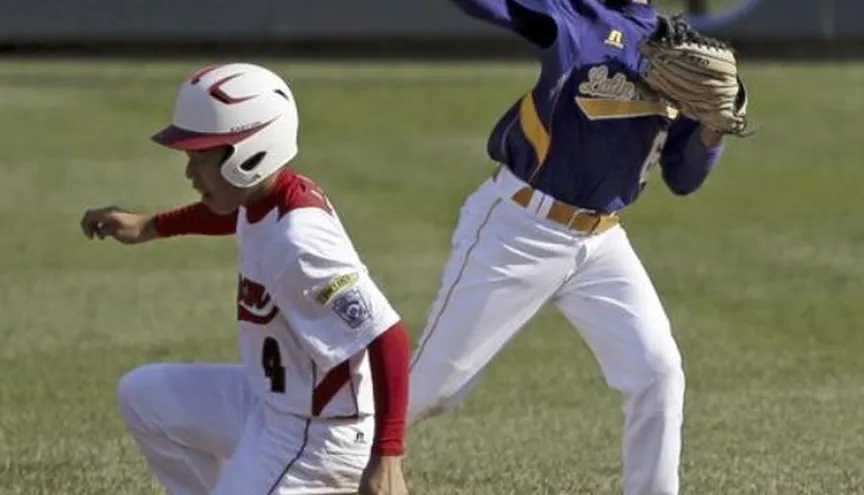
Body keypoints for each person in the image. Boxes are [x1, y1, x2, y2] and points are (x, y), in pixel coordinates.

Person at [406, 1, 742, 494]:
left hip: (602, 242)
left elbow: (683, 176)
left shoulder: (680, 46)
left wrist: (713, 129)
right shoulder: (574, 13)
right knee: (435, 388)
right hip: (519, 227)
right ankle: (320, 451)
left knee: (657, 371)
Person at [80, 62, 410, 495]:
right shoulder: (268, 197)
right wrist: (148, 226)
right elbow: (234, 214)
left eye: (201, 157)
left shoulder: (301, 241)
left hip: (318, 436)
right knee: (143, 395)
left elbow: (387, 335)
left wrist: (387, 458)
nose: (189, 173)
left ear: (250, 154)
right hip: (270, 403)